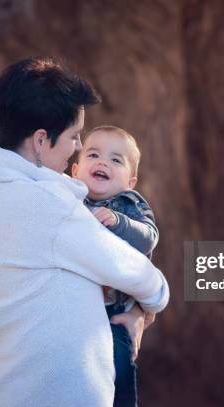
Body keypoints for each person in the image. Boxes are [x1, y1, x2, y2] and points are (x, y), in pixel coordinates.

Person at [0, 57, 170, 407]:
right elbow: (131, 270)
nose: (76, 147)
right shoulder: (46, 205)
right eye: (74, 137)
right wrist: (151, 303)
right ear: (41, 140)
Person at [72, 125, 159, 407]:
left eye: (115, 160)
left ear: (130, 181)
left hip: (114, 312)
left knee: (119, 364)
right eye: (93, 154)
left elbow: (149, 238)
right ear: (75, 170)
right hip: (78, 311)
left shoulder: (128, 204)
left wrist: (120, 222)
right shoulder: (68, 199)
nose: (102, 162)